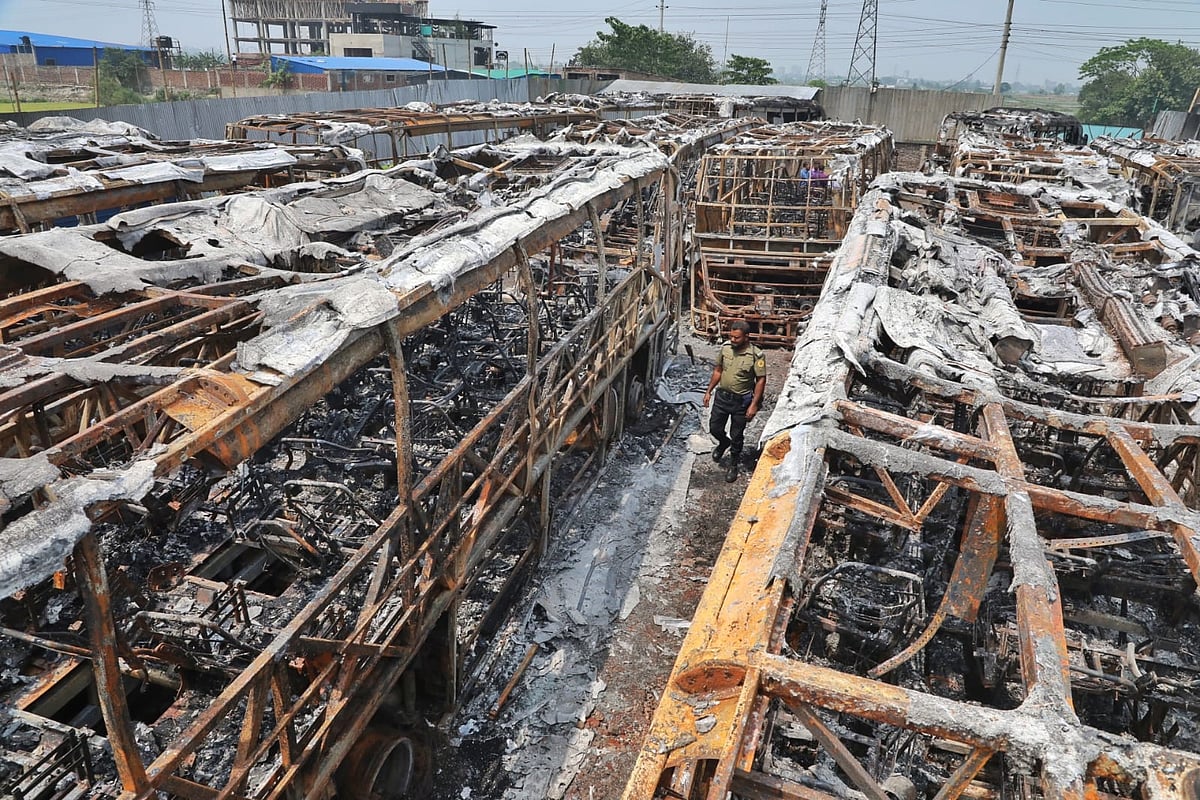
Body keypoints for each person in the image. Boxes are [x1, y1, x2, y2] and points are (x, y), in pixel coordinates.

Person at [703, 319, 767, 482]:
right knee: (714, 428)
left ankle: (733, 463)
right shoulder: (725, 349)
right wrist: (708, 391)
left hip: (741, 401)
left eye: (736, 338)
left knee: (737, 435)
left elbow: (760, 380)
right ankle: (723, 443)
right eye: (731, 337)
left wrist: (753, 405)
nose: (733, 340)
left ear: (746, 337)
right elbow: (718, 370)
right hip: (722, 397)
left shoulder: (756, 355)